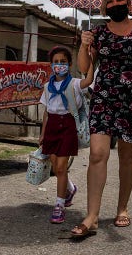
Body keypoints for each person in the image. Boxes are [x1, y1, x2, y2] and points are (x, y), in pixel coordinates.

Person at [70, 0, 132, 237]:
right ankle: (91, 217)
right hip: (103, 97)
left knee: (127, 155)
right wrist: (84, 46)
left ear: (129, 2)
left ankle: (122, 208)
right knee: (97, 154)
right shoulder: (98, 32)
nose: (115, 4)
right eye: (110, 1)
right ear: (104, 7)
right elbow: (85, 70)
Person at [39, 46, 94, 224]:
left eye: (63, 62)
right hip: (52, 127)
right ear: (51, 65)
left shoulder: (75, 84)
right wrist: (42, 134)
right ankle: (70, 189)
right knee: (56, 167)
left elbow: (89, 80)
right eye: (56, 62)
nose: (59, 65)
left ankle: (59, 205)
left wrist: (91, 60)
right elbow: (47, 111)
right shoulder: (47, 87)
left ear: (69, 64)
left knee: (62, 167)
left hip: (68, 125)